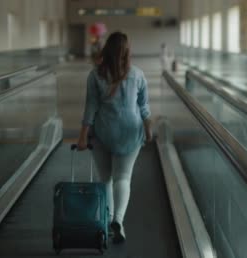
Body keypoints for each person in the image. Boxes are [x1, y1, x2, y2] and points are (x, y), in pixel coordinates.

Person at [77, 31, 152, 243]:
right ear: (127, 52)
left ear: (106, 50)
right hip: (130, 133)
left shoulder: (95, 75)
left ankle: (107, 219)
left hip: (103, 133)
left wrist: (83, 136)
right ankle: (118, 220)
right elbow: (144, 107)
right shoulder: (137, 74)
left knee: (106, 179)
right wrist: (148, 129)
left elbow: (90, 108)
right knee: (123, 177)